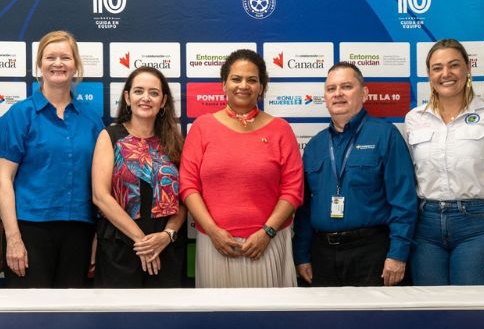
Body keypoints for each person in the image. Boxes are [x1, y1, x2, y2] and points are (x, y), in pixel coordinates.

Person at [179, 49, 304, 287]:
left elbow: (293, 190)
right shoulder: (202, 127)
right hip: (215, 244)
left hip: (268, 243)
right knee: (218, 322)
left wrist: (267, 232)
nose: (243, 85)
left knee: (270, 320)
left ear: (262, 87)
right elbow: (188, 185)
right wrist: (212, 231)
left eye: (252, 79)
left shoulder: (281, 130)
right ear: (223, 85)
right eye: (236, 79)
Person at [404, 39, 484, 285]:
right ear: (429, 75)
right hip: (425, 227)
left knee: (472, 311)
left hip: (476, 227)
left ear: (468, 68)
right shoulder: (414, 118)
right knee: (430, 311)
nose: (446, 74)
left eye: (454, 65)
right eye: (437, 68)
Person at [0, 30, 104, 288]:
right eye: (50, 57)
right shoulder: (20, 115)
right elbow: (3, 180)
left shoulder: (91, 120)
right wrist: (13, 239)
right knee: (30, 317)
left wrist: (99, 236)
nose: (58, 63)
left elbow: (102, 185)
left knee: (71, 316)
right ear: (39, 64)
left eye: (65, 57)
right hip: (30, 230)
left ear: (75, 65)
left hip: (79, 229)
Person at [293, 62, 417, 287]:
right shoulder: (315, 146)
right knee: (327, 322)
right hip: (322, 255)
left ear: (364, 93)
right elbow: (304, 209)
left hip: (372, 254)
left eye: (346, 86)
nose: (338, 94)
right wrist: (301, 255)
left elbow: (404, 201)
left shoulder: (385, 136)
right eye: (331, 89)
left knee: (374, 321)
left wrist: (398, 253)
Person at [91, 67, 186, 287]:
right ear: (127, 97)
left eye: (154, 93)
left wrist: (167, 235)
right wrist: (142, 242)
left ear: (163, 101)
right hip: (120, 247)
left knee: (166, 319)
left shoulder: (175, 142)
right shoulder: (110, 136)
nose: (146, 98)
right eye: (139, 91)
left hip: (166, 248)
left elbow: (184, 199)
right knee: (118, 320)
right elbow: (100, 196)